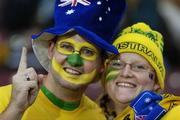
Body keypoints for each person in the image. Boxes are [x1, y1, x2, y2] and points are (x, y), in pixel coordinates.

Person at [0, 0, 126, 120]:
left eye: (88, 51)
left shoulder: (98, 117)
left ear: (102, 65)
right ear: (51, 50)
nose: (74, 60)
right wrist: (15, 109)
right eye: (66, 46)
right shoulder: (5, 99)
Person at [100, 22, 180, 120]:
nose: (125, 73)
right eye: (117, 64)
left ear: (156, 82)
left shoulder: (175, 114)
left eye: (139, 67)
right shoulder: (90, 114)